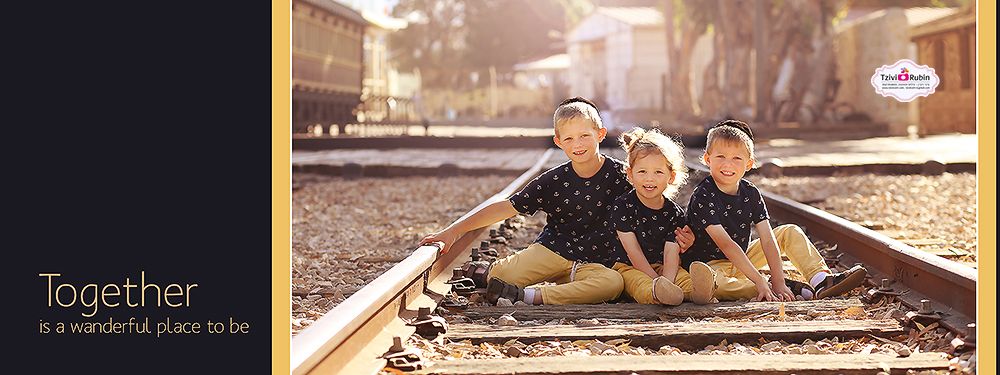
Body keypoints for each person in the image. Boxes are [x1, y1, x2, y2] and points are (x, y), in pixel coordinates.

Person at [420, 97, 628, 305]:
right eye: (569, 139)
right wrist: (452, 232)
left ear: (600, 134)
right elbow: (506, 207)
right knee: (500, 277)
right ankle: (489, 271)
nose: (578, 144)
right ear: (558, 142)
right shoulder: (553, 181)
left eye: (584, 136)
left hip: (595, 264)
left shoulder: (623, 175)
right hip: (553, 251)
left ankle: (529, 296)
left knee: (613, 284)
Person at [681, 119, 867, 302]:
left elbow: (768, 239)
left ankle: (820, 280)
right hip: (710, 265)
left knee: (789, 232)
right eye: (720, 157)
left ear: (749, 164)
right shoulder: (703, 196)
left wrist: (779, 279)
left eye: (736, 158)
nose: (728, 164)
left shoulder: (751, 193)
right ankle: (767, 287)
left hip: (744, 257)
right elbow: (727, 245)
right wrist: (760, 280)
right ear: (707, 159)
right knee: (716, 286)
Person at [607, 127, 716, 305]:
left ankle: (695, 293)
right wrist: (657, 281)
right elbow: (633, 251)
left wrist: (668, 279)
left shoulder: (674, 213)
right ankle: (658, 295)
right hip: (629, 267)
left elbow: (671, 251)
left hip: (663, 266)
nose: (649, 179)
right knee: (641, 285)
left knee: (682, 277)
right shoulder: (623, 206)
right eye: (642, 172)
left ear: (671, 176)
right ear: (630, 174)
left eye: (658, 172)